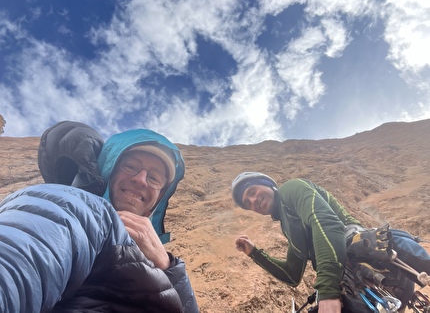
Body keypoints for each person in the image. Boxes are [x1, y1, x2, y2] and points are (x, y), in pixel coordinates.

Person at [0, 121, 198, 312]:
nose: (140, 180)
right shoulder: (74, 206)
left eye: (154, 178)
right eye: (130, 166)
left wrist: (168, 267)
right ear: (107, 170)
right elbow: (21, 260)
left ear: (158, 200)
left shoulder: (159, 259)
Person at [231, 172, 430, 313]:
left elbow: (326, 223)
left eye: (252, 191)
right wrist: (255, 253)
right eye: (248, 203)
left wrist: (328, 292)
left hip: (369, 261)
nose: (254, 200)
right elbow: (292, 275)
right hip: (356, 289)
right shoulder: (287, 227)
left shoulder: (292, 189)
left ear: (268, 184)